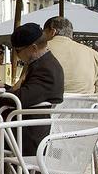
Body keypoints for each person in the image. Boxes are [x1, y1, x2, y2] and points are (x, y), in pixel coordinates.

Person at [5, 23, 64, 156]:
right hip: (29, 129)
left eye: (18, 50)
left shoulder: (45, 69)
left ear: (33, 48)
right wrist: (4, 88)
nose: (16, 54)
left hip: (29, 137)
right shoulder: (44, 63)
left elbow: (21, 99)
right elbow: (30, 92)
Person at [43, 16, 98, 94]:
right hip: (85, 104)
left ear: (52, 31)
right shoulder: (92, 53)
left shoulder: (39, 50)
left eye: (44, 32)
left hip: (47, 104)